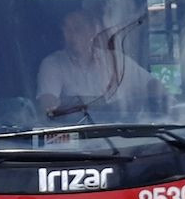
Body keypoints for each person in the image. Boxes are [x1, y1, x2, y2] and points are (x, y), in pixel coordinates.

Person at [36, 9, 166, 119]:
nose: (71, 35)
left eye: (77, 29)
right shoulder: (52, 64)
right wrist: (54, 106)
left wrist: (165, 100)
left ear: (93, 31)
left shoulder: (115, 59)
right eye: (66, 29)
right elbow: (48, 102)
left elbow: (151, 83)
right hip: (76, 136)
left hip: (119, 136)